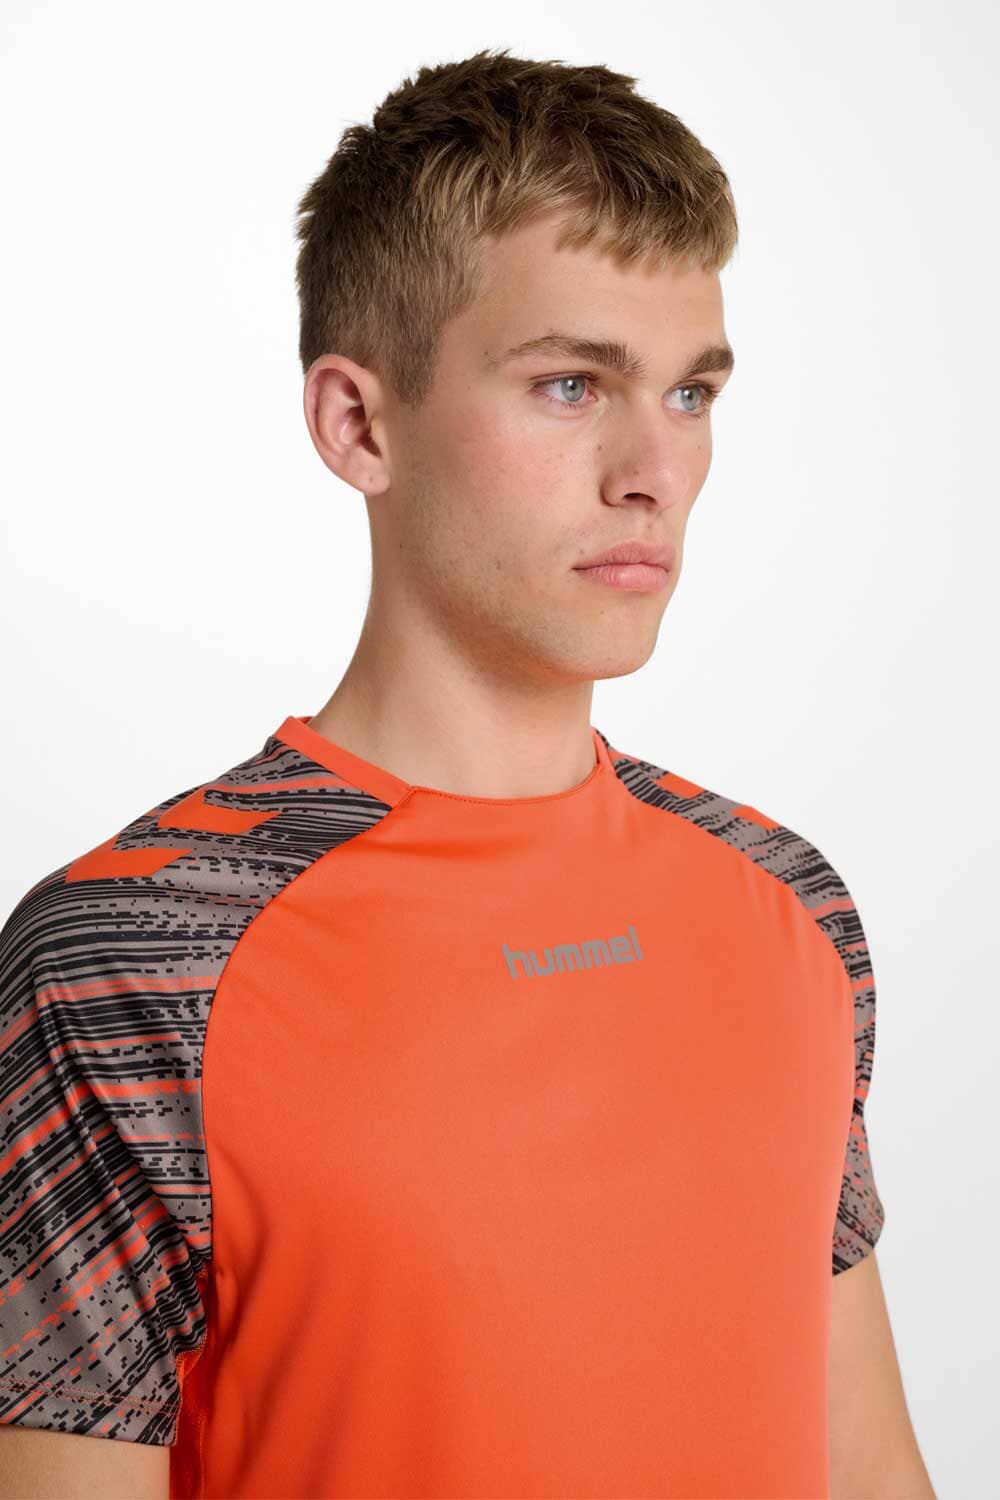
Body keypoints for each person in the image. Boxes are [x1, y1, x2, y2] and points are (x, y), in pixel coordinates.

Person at [0, 46, 935, 1500]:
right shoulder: (131, 964)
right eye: (572, 384)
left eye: (692, 394)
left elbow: (868, 1467)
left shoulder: (789, 905)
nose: (654, 471)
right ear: (358, 424)